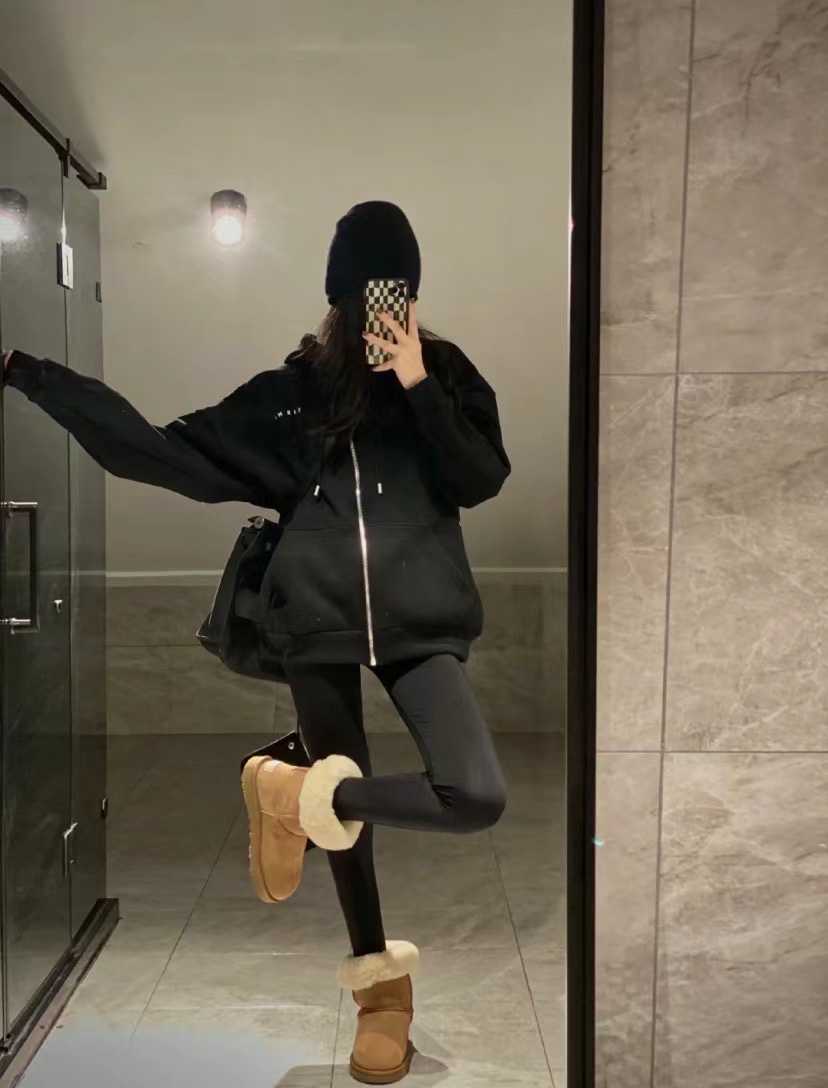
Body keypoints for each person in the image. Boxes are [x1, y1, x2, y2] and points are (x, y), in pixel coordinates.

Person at [1, 200, 510, 1085]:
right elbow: (155, 452)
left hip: (422, 620)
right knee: (350, 833)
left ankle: (291, 791)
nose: (380, 307)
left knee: (472, 794)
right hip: (314, 625)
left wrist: (419, 382)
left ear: (413, 294)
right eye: (365, 291)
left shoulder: (448, 375)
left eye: (396, 289)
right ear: (337, 295)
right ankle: (380, 999)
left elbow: (481, 477)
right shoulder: (290, 396)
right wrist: (26, 372)